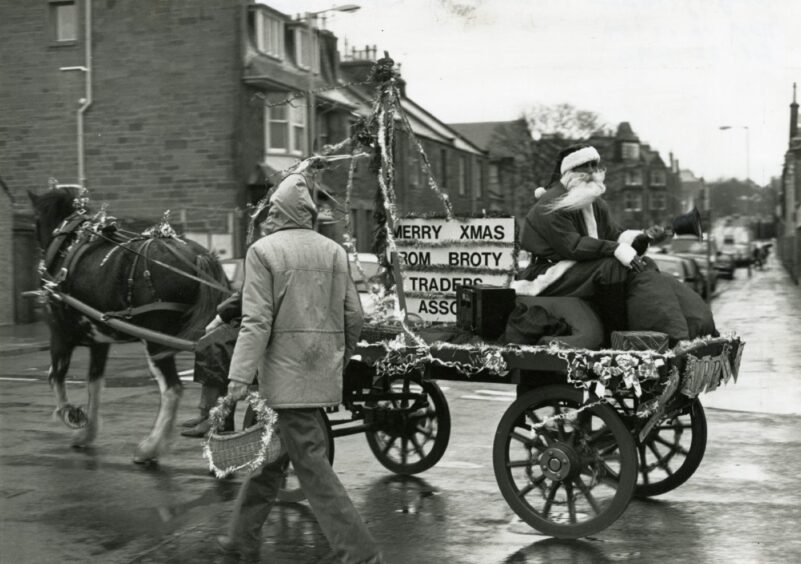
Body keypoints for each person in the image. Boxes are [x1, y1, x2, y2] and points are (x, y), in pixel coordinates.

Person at [217, 173, 382, 564]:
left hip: (281, 379)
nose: (270, 215)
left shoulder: (263, 252)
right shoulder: (334, 251)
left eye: (273, 209)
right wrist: (339, 355)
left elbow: (256, 321)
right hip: (317, 370)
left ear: (279, 210)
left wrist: (238, 377)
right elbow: (354, 316)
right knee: (269, 462)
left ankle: (360, 553)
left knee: (312, 468)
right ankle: (239, 542)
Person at [514, 144, 715, 344]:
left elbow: (615, 236)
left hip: (577, 269)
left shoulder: (595, 203)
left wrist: (643, 238)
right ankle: (617, 334)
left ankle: (685, 333)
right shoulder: (551, 204)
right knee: (612, 267)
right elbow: (572, 246)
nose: (593, 171)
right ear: (569, 171)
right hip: (547, 274)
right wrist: (616, 249)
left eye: (595, 164)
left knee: (645, 265)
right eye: (585, 165)